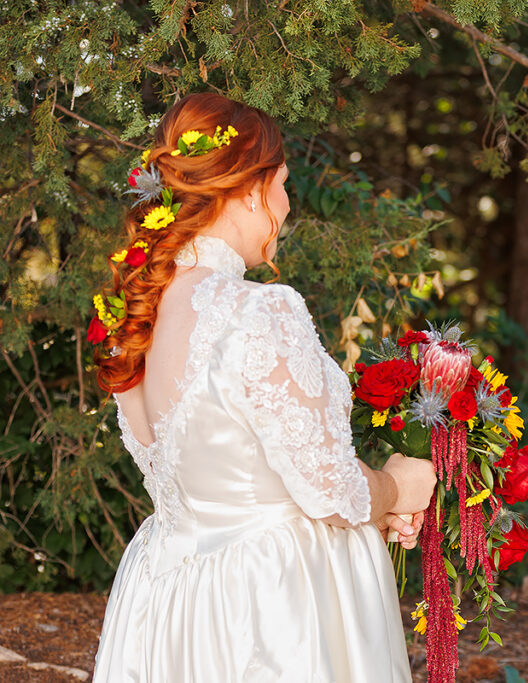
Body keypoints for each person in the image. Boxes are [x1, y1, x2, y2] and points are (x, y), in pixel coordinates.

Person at [90, 92, 436, 682]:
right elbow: (331, 496)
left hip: (171, 595)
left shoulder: (134, 320)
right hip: (271, 600)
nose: (286, 203)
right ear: (249, 190)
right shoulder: (258, 310)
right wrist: (398, 485)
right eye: (282, 184)